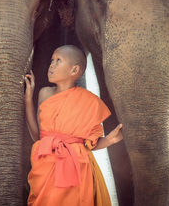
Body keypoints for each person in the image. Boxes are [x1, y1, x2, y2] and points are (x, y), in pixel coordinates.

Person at [24, 44, 123, 206]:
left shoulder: (89, 101)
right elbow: (37, 137)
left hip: (78, 169)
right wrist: (28, 99)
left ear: (74, 70)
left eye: (59, 61)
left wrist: (110, 140)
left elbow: (90, 145)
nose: (52, 65)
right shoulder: (44, 93)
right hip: (45, 165)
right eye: (52, 60)